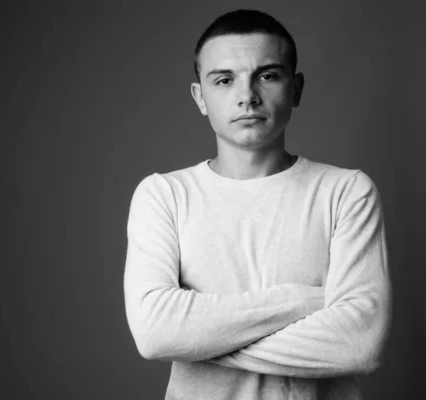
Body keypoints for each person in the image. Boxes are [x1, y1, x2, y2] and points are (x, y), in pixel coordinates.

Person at [123, 9, 391, 400]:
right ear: (200, 96)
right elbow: (154, 334)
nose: (246, 96)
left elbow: (360, 344)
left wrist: (200, 341)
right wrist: (304, 301)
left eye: (267, 75)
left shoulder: (346, 191)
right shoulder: (164, 195)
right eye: (224, 80)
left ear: (296, 89)